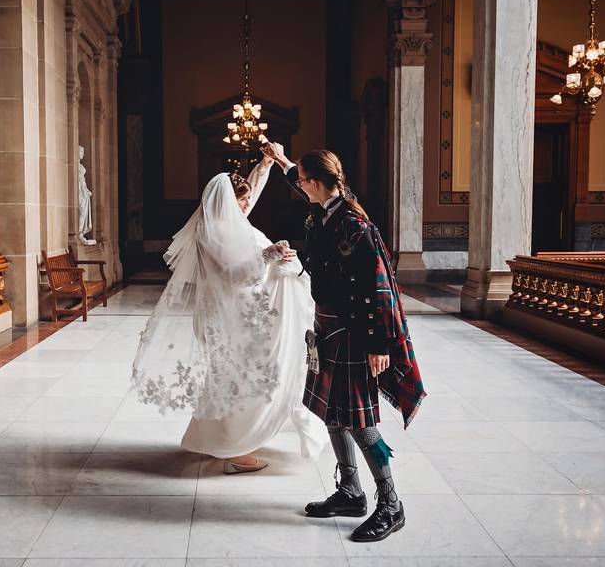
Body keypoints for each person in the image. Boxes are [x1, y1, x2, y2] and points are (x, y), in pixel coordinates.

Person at [261, 141, 426, 543]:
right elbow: (306, 194)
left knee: (359, 420)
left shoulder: (353, 224)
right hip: (328, 327)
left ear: (317, 182)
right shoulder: (327, 210)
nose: (300, 187)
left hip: (356, 335)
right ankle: (351, 492)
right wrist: (283, 161)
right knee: (333, 412)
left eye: (303, 181)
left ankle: (391, 504)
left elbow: (378, 287)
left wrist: (379, 346)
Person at [132, 156, 326, 474]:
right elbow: (231, 273)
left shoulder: (230, 224)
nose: (247, 203)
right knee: (242, 378)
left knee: (236, 378)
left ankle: (220, 439)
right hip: (230, 317)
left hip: (242, 312)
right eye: (243, 198)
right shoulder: (213, 233)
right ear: (227, 200)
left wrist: (263, 168)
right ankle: (235, 452)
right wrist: (268, 255)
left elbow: (246, 244)